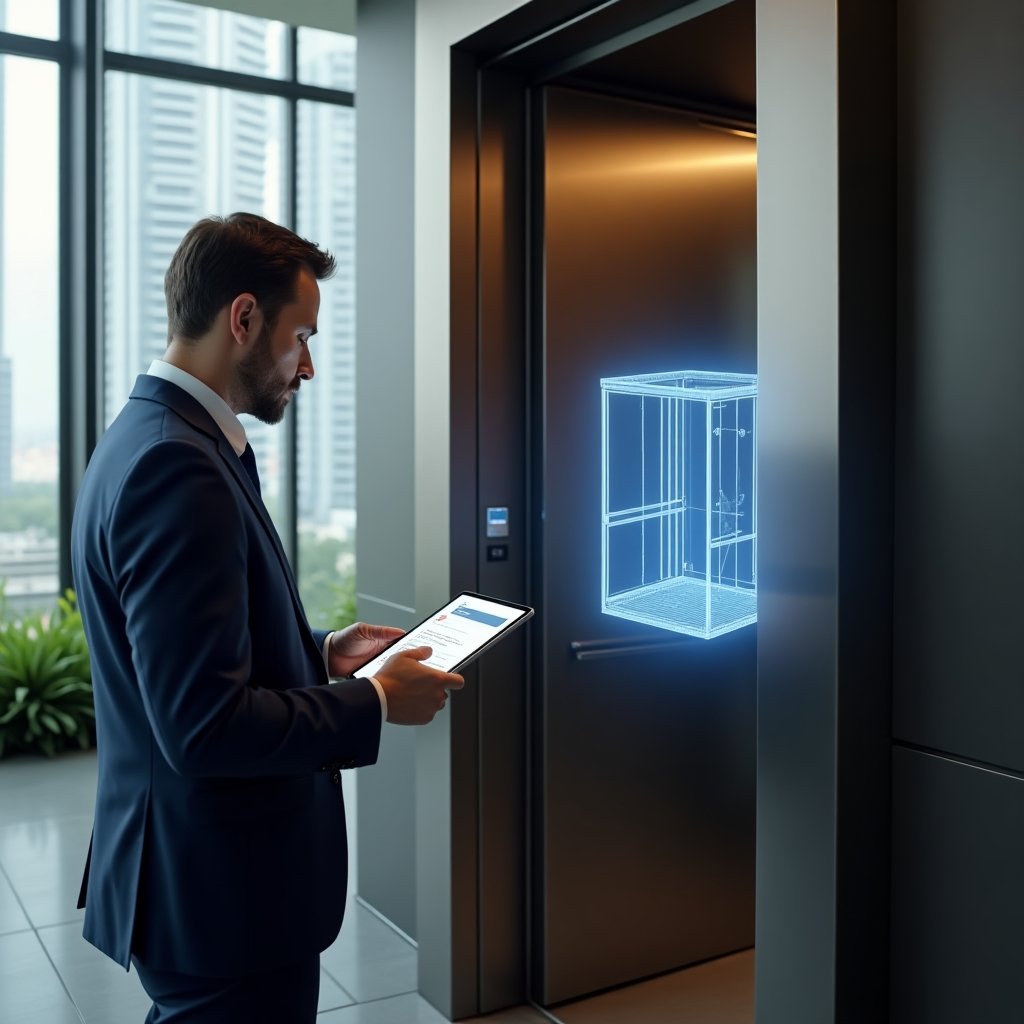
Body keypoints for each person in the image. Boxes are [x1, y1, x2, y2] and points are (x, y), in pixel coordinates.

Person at [70, 212, 464, 1023]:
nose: (308, 366)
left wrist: (319, 651)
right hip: (223, 895)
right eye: (301, 337)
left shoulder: (148, 438)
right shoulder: (178, 466)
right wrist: (381, 701)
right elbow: (203, 725)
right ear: (243, 319)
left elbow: (184, 660)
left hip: (198, 879)